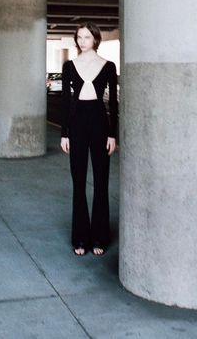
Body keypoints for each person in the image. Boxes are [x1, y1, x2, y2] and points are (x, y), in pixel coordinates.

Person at [60, 22, 118, 256]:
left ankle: (100, 238)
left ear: (95, 39)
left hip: (99, 124)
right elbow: (65, 102)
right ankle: (80, 238)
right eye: (79, 37)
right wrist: (64, 133)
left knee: (102, 182)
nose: (82, 41)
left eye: (86, 37)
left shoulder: (108, 66)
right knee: (79, 182)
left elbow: (112, 104)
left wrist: (113, 134)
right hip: (77, 126)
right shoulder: (69, 66)